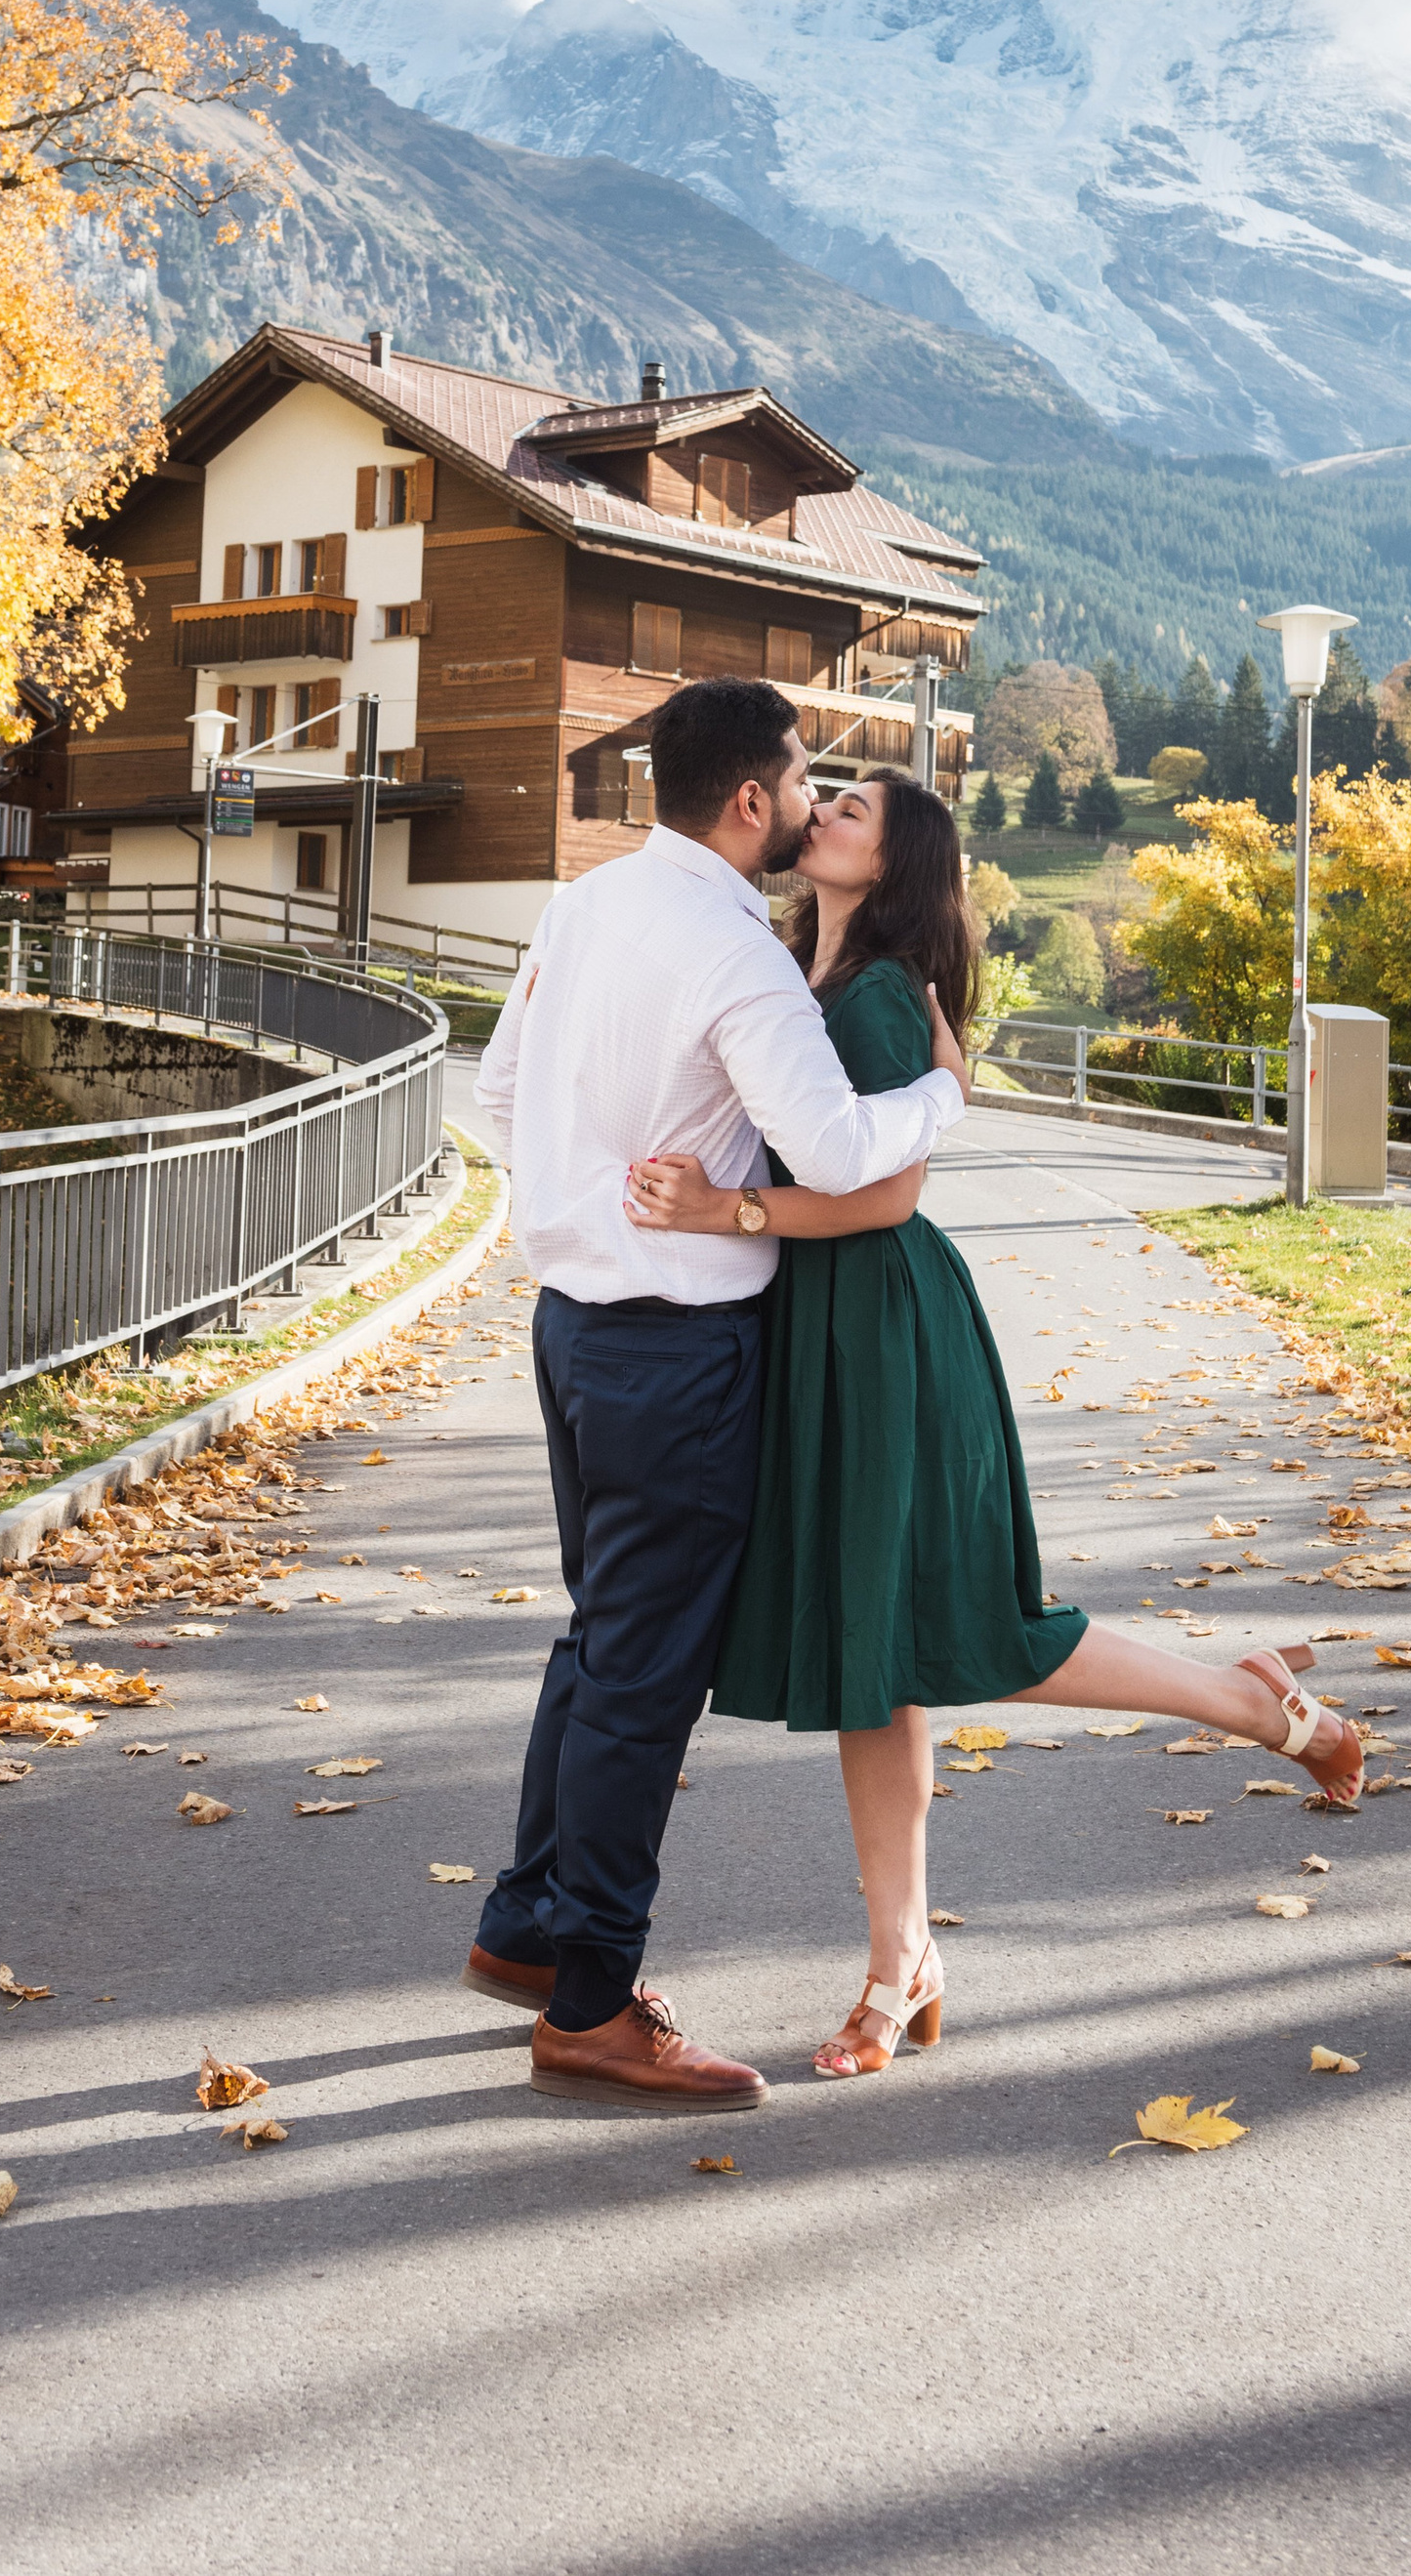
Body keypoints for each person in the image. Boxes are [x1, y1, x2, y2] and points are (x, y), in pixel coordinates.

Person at [625, 769, 1365, 2081]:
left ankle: (1260, 1709)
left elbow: (887, 1195)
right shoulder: (815, 973)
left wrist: (720, 1213)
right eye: (828, 796)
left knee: (974, 1627)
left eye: (854, 809)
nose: (829, 811)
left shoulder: (877, 991)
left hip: (885, 1330)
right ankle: (899, 1963)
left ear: (896, 861)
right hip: (826, 1336)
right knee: (880, 1653)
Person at [469, 678, 974, 2108]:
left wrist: (585, 1201)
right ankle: (592, 1998)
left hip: (570, 1325)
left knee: (596, 1645)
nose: (816, 802)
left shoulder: (583, 905)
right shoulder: (738, 956)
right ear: (750, 800)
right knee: (641, 1678)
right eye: (806, 778)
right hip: (677, 1352)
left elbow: (501, 1099)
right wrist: (943, 1093)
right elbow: (829, 1149)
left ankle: (527, 1924)